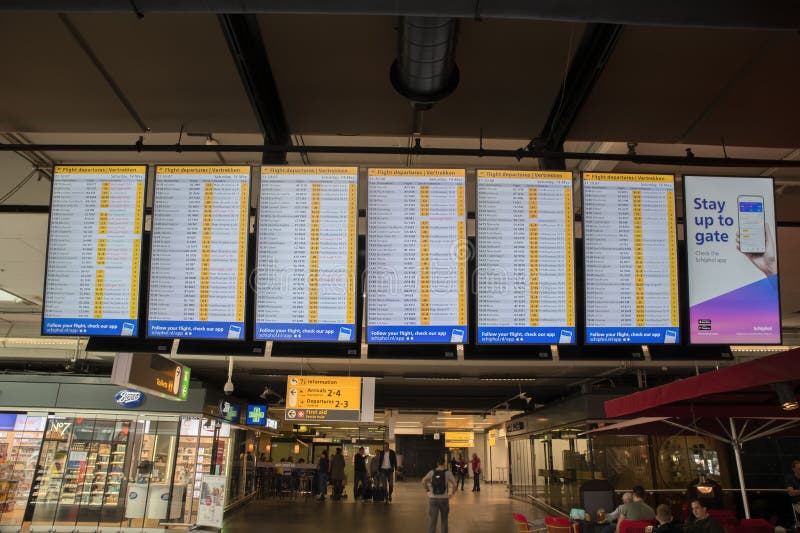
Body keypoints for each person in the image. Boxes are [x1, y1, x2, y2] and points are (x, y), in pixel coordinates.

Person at [422, 457, 457, 533]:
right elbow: (455, 484)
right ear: (444, 463)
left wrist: (428, 491)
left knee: (432, 521)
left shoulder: (432, 472)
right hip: (444, 499)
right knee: (444, 520)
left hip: (433, 498)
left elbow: (423, 481)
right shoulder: (448, 473)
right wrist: (452, 494)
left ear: (437, 464)